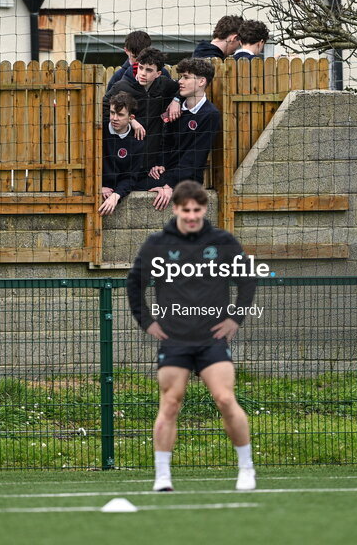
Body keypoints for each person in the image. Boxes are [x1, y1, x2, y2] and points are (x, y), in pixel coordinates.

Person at [127, 180, 259, 492]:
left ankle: (246, 469)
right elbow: (135, 284)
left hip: (212, 339)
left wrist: (235, 319)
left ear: (204, 209)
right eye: (185, 209)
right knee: (170, 403)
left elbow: (248, 280)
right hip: (174, 340)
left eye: (197, 209)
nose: (191, 215)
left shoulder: (222, 241)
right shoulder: (157, 244)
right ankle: (162, 477)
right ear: (175, 209)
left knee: (225, 398)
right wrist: (146, 321)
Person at [147, 58, 221, 210]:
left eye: (186, 77)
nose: (180, 81)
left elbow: (195, 157)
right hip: (166, 173)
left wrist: (169, 185)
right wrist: (159, 163)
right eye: (180, 77)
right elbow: (165, 142)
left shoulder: (210, 114)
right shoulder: (176, 110)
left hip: (188, 181)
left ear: (201, 82)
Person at [102, 47, 179, 177]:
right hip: (128, 154)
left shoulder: (164, 85)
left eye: (149, 70)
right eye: (141, 67)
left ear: (158, 73)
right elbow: (103, 107)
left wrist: (176, 100)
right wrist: (131, 120)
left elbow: (182, 89)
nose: (143, 73)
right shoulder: (122, 86)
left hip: (152, 157)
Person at [100, 92, 146, 216]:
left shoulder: (137, 143)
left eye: (120, 115)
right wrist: (97, 187)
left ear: (131, 118)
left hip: (114, 193)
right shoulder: (98, 131)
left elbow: (130, 177)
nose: (114, 118)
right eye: (112, 113)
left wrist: (116, 195)